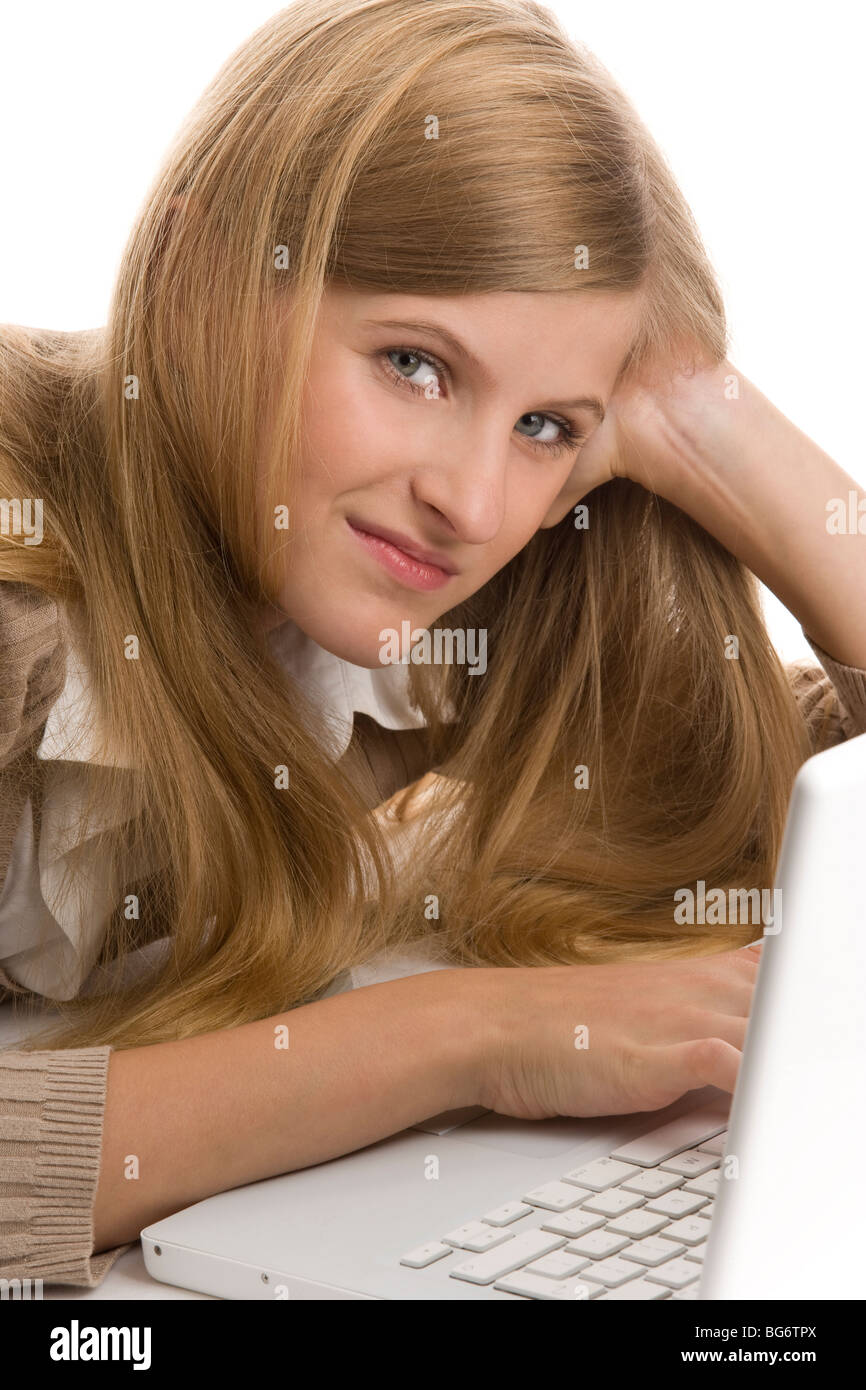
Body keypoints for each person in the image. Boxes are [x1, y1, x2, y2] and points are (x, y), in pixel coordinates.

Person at [1, 0, 863, 1290]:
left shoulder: (417, 610)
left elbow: (798, 793)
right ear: (197, 276)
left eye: (548, 426)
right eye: (415, 364)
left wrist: (710, 418)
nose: (474, 506)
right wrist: (467, 1037)